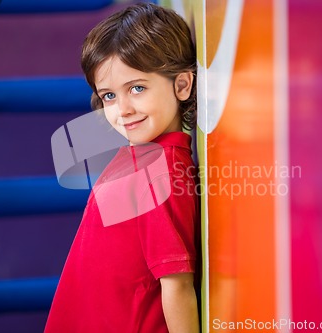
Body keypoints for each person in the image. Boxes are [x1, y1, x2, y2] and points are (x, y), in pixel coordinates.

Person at [44, 3, 199, 332]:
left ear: (182, 85)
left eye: (137, 88)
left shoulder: (164, 169)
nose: (123, 109)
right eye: (109, 96)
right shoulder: (140, 155)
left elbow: (177, 284)